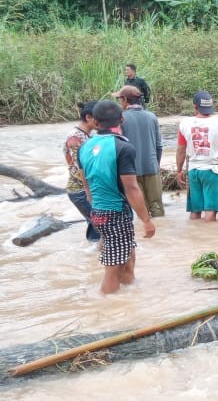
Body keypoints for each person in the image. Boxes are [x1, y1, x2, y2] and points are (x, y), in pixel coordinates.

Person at [79, 100, 156, 293]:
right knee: (113, 269)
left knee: (128, 257)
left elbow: (85, 183)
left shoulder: (85, 147)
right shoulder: (123, 147)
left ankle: (128, 297)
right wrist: (146, 220)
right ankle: (107, 311)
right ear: (122, 119)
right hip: (116, 213)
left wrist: (94, 206)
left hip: (97, 211)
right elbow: (131, 188)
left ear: (95, 122)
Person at [176, 91, 218, 221]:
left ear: (194, 106)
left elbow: (180, 150)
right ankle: (210, 239)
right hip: (212, 171)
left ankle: (195, 237)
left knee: (195, 210)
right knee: (210, 211)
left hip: (193, 171)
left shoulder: (184, 124)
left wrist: (179, 171)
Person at [114, 85, 164, 217]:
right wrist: (156, 164)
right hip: (152, 167)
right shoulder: (151, 117)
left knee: (140, 208)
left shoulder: (121, 119)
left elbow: (118, 147)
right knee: (157, 205)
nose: (120, 102)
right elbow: (159, 146)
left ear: (125, 99)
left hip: (130, 170)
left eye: (120, 99)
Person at [65, 101, 101, 242]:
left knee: (95, 224)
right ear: (88, 118)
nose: (101, 121)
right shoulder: (75, 138)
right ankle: (96, 253)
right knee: (99, 224)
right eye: (98, 118)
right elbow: (78, 170)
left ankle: (92, 256)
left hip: (85, 190)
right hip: (80, 191)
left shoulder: (86, 136)